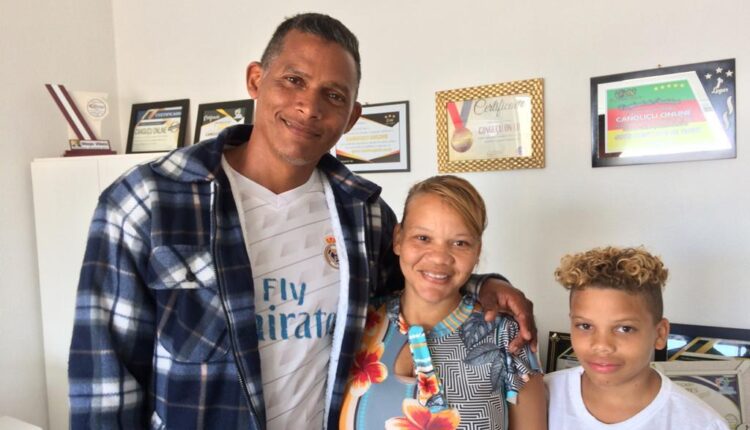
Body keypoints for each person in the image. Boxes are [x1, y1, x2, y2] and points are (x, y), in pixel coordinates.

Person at [68, 12, 537, 430]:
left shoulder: (364, 215)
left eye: (333, 95)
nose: (309, 107)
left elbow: (420, 282)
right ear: (256, 79)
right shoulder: (148, 201)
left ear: (351, 116)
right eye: (294, 80)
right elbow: (105, 380)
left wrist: (486, 285)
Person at [339, 175, 546, 430]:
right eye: (423, 238)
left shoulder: (507, 335)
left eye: (460, 243)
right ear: (398, 239)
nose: (439, 258)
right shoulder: (358, 324)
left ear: (477, 251)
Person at [545, 246, 728, 430]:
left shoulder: (702, 424)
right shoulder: (542, 397)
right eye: (585, 326)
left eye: (625, 329)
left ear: (660, 334)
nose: (602, 345)